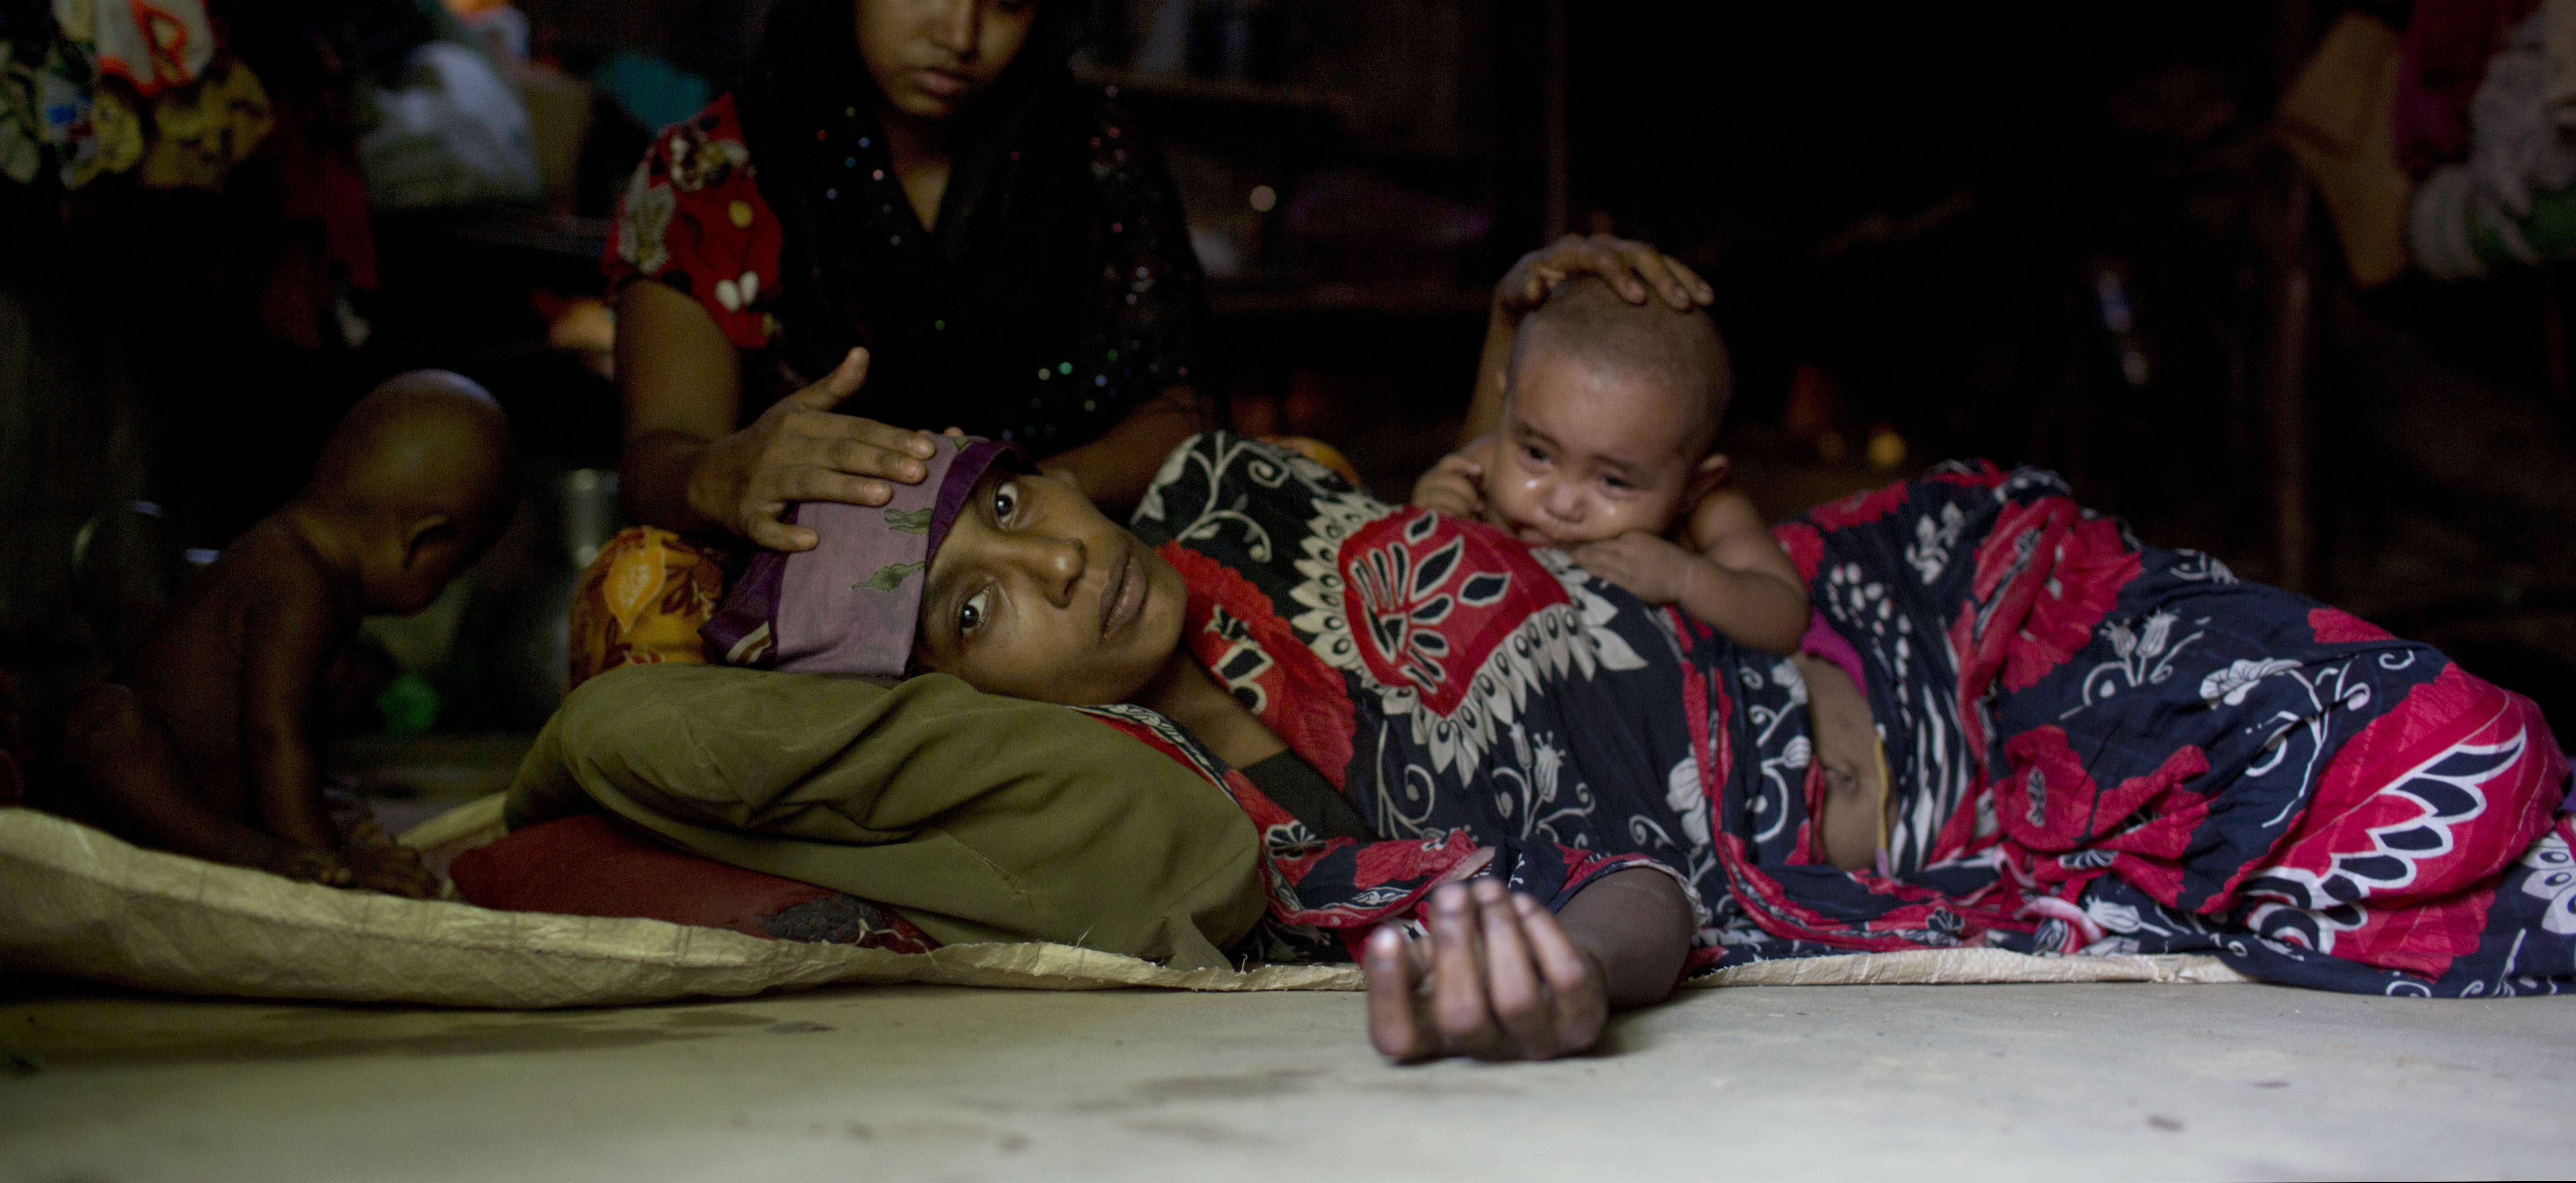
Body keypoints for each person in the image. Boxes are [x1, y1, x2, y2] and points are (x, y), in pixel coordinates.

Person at [714, 428, 2576, 1060]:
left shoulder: (1252, 506)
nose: (1056, 557)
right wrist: (1565, 987)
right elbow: (1619, 896)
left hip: (1937, 612)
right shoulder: (1244, 840)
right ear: (943, 703)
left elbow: (1537, 467)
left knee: (2438, 738)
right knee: (2434, 810)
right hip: (1960, 808)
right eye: (977, 604)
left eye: (1024, 501)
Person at [579, 0, 1217, 683]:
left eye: (1007, 0)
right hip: (824, 620)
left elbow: (1182, 410)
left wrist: (1037, 495)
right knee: (634, 590)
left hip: (1061, 593)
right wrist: (723, 469)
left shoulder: (1092, 154)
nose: (958, 33)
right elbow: (656, 458)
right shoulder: (714, 172)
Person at [59, 372, 516, 894]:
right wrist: (326, 862)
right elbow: (273, 737)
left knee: (331, 796)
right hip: (128, 801)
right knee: (108, 727)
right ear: (422, 542)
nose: (443, 591)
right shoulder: (298, 586)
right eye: (451, 574)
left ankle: (286, 847)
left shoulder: (304, 566)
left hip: (211, 792)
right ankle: (274, 860)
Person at [1411, 250, 1808, 657]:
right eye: (1537, 453)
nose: (1562, 504)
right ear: (1507, 408)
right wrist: (1426, 523)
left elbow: (1786, 617)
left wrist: (1687, 578)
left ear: (1694, 484)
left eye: (1613, 481)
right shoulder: (1481, 470)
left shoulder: (1708, 510)